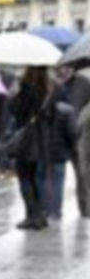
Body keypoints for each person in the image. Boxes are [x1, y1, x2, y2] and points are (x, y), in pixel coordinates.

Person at [9, 67, 63, 231]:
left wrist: (14, 94)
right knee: (35, 178)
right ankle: (40, 215)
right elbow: (54, 115)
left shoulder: (26, 87)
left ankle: (31, 216)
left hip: (27, 140)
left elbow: (15, 110)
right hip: (42, 140)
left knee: (25, 177)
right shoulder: (51, 89)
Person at [38, 100, 77, 221]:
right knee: (58, 182)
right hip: (59, 151)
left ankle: (44, 209)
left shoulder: (38, 108)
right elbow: (72, 132)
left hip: (41, 150)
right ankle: (56, 211)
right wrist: (71, 148)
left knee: (41, 179)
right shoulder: (67, 110)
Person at [63, 63, 90, 218]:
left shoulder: (79, 81)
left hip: (79, 137)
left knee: (82, 173)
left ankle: (85, 208)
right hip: (79, 137)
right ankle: (85, 208)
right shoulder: (79, 82)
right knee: (82, 173)